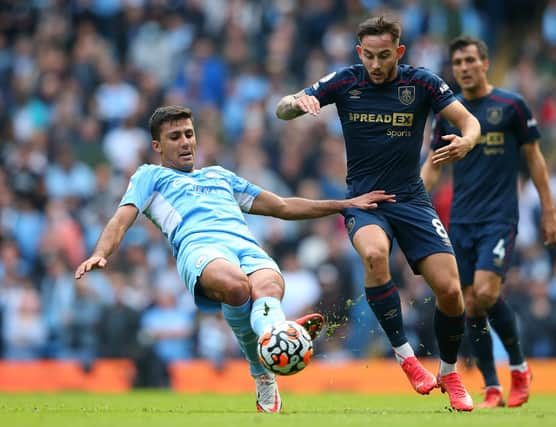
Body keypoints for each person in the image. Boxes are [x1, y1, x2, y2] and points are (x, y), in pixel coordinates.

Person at [75, 105, 395, 413]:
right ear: (157, 146)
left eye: (189, 134)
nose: (185, 142)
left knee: (268, 284)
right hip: (200, 249)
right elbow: (121, 219)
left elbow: (282, 206)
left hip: (246, 247)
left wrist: (344, 204)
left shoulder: (220, 176)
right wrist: (101, 254)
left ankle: (276, 336)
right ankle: (265, 366)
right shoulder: (150, 177)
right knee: (236, 286)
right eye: (175, 137)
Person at [276, 16, 481, 411]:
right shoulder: (344, 80)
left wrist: (467, 142)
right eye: (368, 55)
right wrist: (295, 103)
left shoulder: (421, 83)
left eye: (383, 56)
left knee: (452, 292)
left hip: (412, 199)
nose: (374, 64)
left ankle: (449, 372)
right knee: (373, 256)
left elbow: (468, 121)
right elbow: (282, 108)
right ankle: (406, 357)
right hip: (365, 200)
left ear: (399, 52)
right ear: (359, 53)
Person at [421, 36, 556, 408]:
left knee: (485, 292)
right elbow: (434, 165)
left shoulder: (511, 106)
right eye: (457, 62)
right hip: (462, 219)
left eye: (470, 60)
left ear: (485, 63)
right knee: (468, 304)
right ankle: (492, 387)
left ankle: (519, 369)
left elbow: (534, 159)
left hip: (499, 217)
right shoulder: (451, 113)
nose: (463, 68)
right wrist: (411, 204)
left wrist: (548, 210)